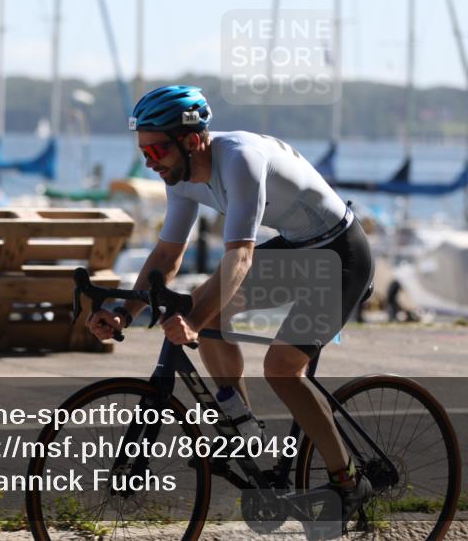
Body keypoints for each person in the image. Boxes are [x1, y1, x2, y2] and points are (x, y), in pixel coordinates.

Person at [86, 85, 374, 536]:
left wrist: (193, 322)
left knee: (281, 368)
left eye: (156, 148)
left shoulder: (240, 159)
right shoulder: (179, 180)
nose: (148, 161)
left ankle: (347, 480)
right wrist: (123, 311)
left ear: (192, 139)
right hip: (298, 248)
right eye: (143, 150)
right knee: (210, 310)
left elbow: (240, 257)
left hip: (340, 254)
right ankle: (241, 422)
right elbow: (166, 256)